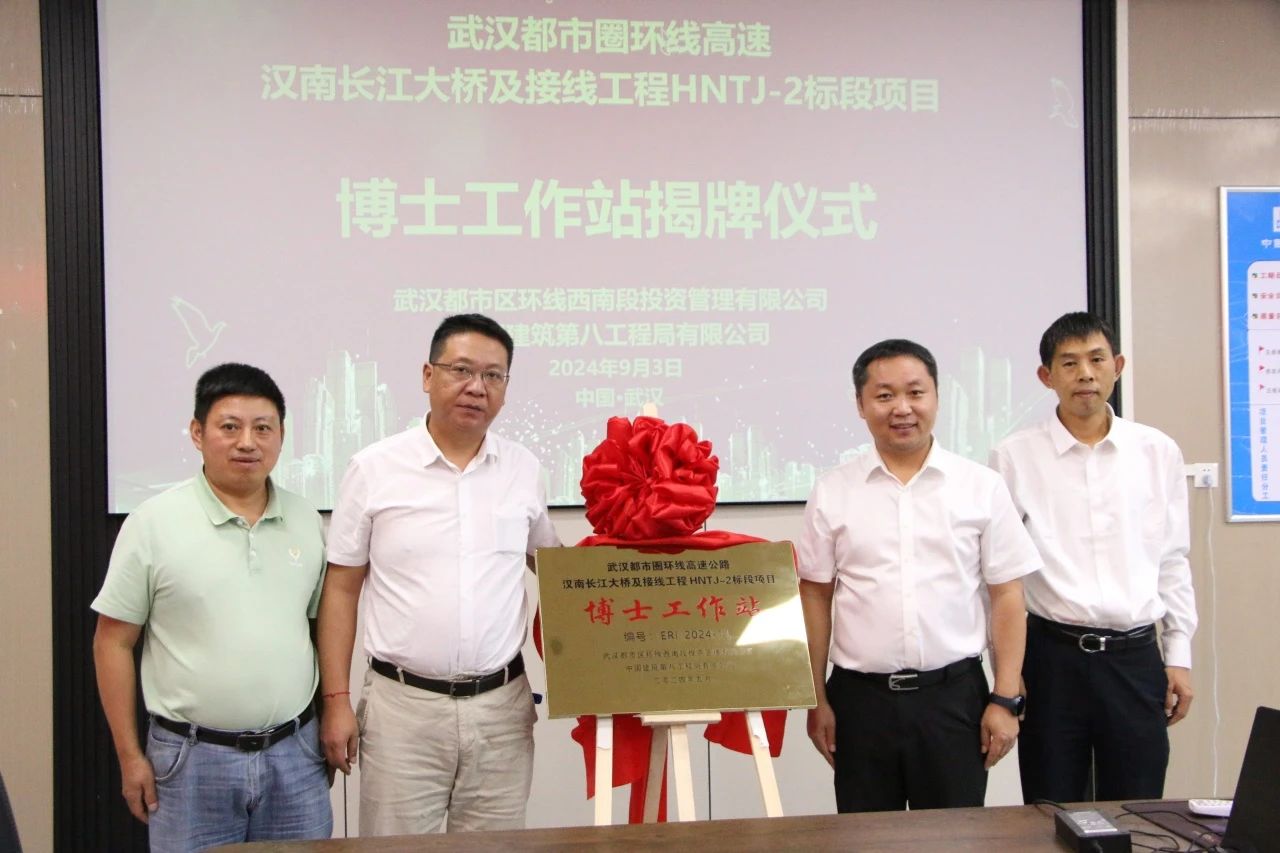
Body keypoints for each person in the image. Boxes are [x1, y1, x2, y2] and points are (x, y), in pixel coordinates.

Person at [318, 313, 560, 835]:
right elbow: (340, 589)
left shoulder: (524, 469)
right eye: (462, 370)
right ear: (428, 376)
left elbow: (553, 566)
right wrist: (336, 702)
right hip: (403, 710)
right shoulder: (374, 468)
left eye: (493, 375)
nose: (477, 387)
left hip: (501, 710)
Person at [92, 363, 330, 850]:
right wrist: (129, 756)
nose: (247, 442)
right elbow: (112, 642)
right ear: (198, 433)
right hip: (191, 760)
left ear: (281, 436)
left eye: (262, 428)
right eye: (230, 427)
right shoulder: (153, 523)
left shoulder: (306, 518)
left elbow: (318, 629)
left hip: (295, 754)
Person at [797, 339, 1041, 813]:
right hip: (860, 703)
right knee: (867, 840)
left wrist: (1005, 696)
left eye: (915, 392)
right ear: (861, 405)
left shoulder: (980, 487)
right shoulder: (832, 491)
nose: (902, 408)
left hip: (954, 699)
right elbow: (815, 595)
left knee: (955, 839)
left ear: (936, 397)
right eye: (884, 395)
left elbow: (1008, 595)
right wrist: (816, 698)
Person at [991, 312, 1197, 802]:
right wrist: (1006, 669)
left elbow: (1172, 559)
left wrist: (1179, 654)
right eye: (1069, 363)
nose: (1085, 373)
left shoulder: (1157, 451)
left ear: (1117, 366)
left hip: (1135, 658)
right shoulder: (1013, 456)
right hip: (1051, 659)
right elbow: (997, 577)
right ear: (1046, 376)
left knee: (1137, 808)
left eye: (1096, 359)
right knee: (1049, 807)